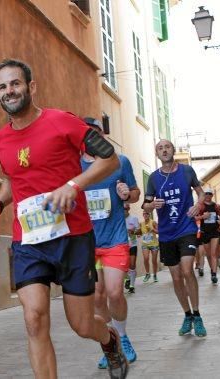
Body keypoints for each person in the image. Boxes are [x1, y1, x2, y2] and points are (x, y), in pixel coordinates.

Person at [0, 59, 128, 379]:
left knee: (82, 324)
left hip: (73, 236)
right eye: (3, 87)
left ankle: (109, 339)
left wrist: (73, 185)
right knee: (34, 319)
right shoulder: (0, 140)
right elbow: (11, 179)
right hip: (29, 240)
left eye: (16, 83)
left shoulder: (64, 122)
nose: (10, 91)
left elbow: (110, 158)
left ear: (31, 87)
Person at [80, 117, 140, 370]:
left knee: (115, 292)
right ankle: (110, 344)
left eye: (96, 132)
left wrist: (128, 194)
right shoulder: (74, 165)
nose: (92, 136)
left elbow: (136, 193)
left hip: (115, 237)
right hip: (87, 241)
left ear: (103, 135)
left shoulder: (119, 161)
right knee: (97, 297)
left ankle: (123, 336)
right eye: (87, 133)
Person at [142, 139, 207, 338]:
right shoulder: (153, 178)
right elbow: (145, 205)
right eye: (160, 148)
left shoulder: (187, 171)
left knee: (187, 270)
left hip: (186, 228)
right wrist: (152, 206)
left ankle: (197, 315)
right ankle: (187, 315)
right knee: (176, 277)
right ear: (157, 153)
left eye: (167, 147)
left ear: (173, 151)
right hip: (166, 233)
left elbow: (201, 192)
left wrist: (198, 205)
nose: (164, 150)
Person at [199, 188, 220, 284]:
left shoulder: (216, 206)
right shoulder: (200, 207)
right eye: (206, 194)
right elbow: (194, 218)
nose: (208, 195)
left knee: (213, 253)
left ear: (212, 195)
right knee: (208, 255)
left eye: (210, 194)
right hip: (204, 232)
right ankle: (212, 270)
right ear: (204, 195)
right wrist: (203, 217)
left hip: (214, 231)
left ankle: (214, 274)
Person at [124, 205, 140, 293]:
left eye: (125, 209)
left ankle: (132, 286)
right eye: (122, 209)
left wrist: (133, 231)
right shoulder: (118, 219)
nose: (124, 211)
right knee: (124, 265)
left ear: (129, 209)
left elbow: (139, 231)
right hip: (122, 245)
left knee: (132, 264)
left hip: (132, 245)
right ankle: (127, 279)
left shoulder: (134, 218)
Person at [140, 211, 159, 283]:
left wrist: (153, 230)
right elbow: (139, 232)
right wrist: (136, 232)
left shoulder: (153, 222)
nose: (145, 215)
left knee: (154, 260)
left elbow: (158, 231)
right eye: (144, 214)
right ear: (143, 215)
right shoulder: (141, 224)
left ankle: (155, 275)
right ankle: (147, 273)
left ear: (149, 214)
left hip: (154, 244)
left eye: (147, 213)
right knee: (146, 258)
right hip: (145, 244)